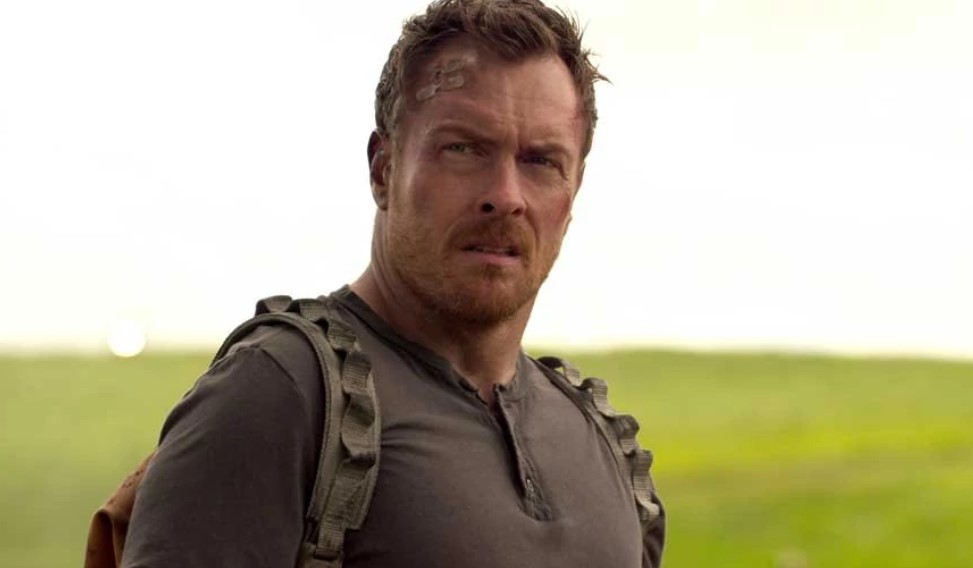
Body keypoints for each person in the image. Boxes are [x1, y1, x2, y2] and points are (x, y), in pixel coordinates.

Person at [121, 0, 665, 566]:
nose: (505, 196)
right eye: (463, 149)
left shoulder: (606, 446)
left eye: (541, 161)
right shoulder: (279, 395)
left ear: (573, 193)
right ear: (384, 169)